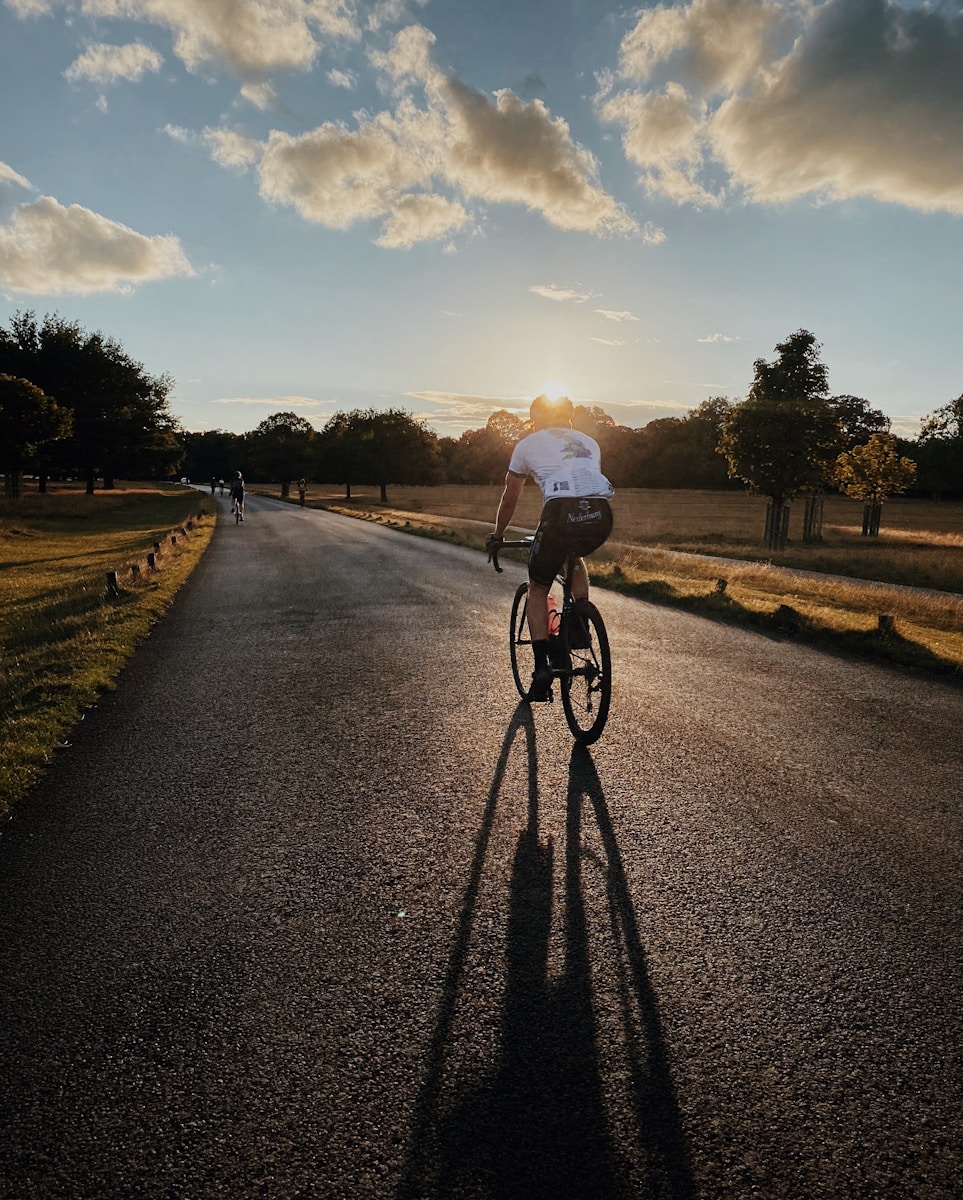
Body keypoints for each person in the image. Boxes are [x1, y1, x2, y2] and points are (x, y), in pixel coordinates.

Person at [486, 394, 614, 701]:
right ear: (568, 417)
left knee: (538, 586)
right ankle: (579, 621)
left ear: (535, 419)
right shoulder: (589, 441)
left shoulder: (527, 444)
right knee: (574, 556)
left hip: (560, 514)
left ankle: (542, 666)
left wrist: (498, 534)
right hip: (601, 513)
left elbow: (511, 495)